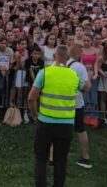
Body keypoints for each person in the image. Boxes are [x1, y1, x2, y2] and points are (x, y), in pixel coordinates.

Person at [27, 45, 82, 187]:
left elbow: (31, 98)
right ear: (67, 58)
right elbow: (84, 87)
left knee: (41, 158)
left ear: (53, 56)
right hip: (66, 124)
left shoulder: (45, 73)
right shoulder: (74, 75)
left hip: (45, 122)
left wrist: (35, 115)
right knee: (61, 160)